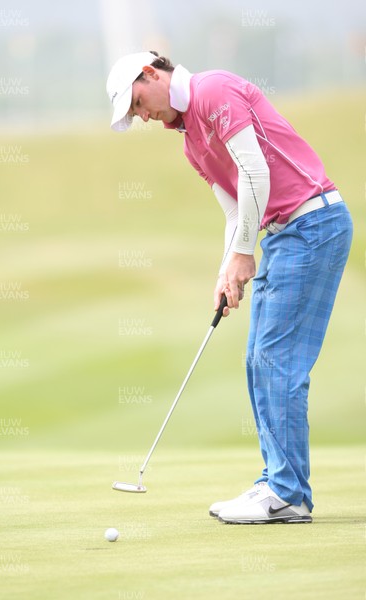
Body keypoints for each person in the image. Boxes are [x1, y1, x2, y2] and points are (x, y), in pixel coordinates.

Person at [106, 51, 353, 524]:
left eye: (137, 102)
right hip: (287, 234)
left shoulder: (213, 91)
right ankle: (278, 482)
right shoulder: (189, 142)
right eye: (133, 113)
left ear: (152, 74)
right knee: (259, 358)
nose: (141, 115)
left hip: (313, 223)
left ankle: (287, 493)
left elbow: (256, 171)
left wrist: (244, 253)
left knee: (277, 359)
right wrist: (227, 266)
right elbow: (238, 209)